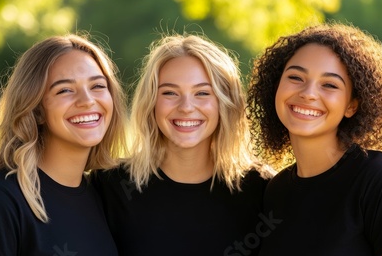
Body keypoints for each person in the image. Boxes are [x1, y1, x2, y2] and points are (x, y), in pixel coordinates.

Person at [246, 23, 382, 255]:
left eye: (329, 84)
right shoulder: (275, 191)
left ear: (351, 105)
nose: (308, 93)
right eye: (296, 77)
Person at [91, 33, 273, 256]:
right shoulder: (109, 187)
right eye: (169, 92)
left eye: (202, 93)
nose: (186, 106)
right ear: (151, 103)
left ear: (225, 103)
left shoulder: (264, 190)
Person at [0, 34, 128, 255]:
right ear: (36, 110)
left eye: (97, 86)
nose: (87, 100)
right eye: (65, 90)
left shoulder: (104, 196)